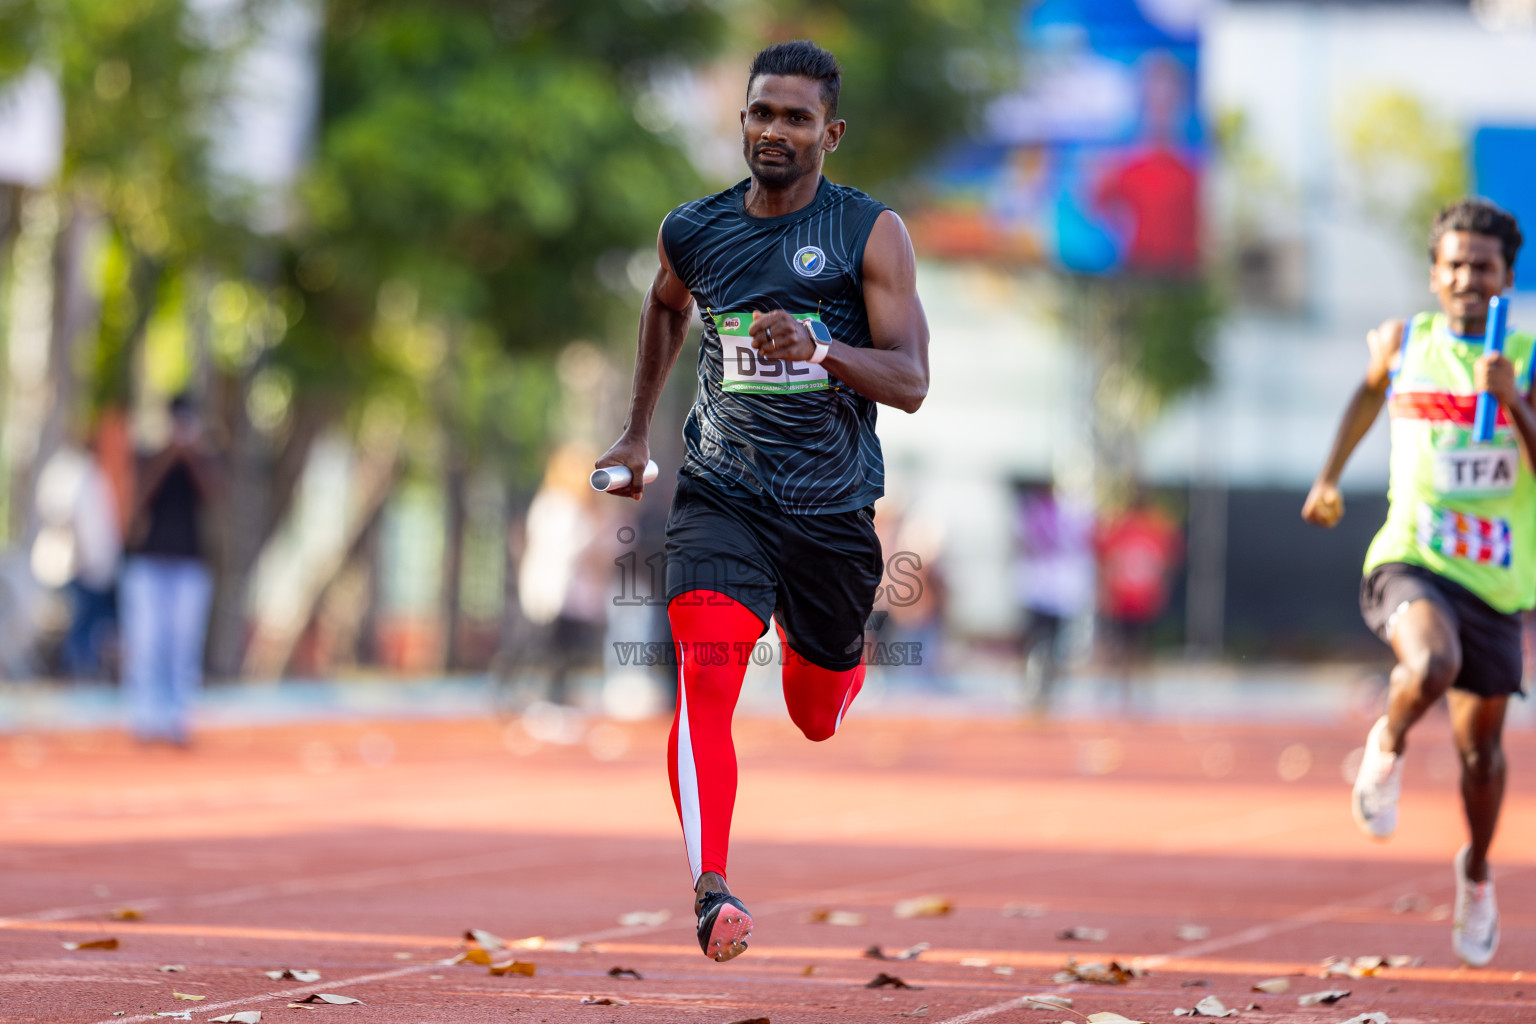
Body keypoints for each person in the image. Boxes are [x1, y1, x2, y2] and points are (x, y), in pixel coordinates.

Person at [596, 40, 929, 963]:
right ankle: (712, 892)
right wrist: (635, 430)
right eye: (759, 113)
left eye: (793, 116)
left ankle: (831, 656)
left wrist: (820, 349)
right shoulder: (694, 229)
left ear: (832, 131)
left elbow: (909, 380)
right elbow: (667, 306)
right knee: (704, 670)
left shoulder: (872, 232)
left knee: (814, 712)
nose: (773, 130)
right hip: (722, 493)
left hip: (830, 513)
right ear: (741, 120)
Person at [1303, 198, 1531, 967]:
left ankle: (1474, 872)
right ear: (1435, 274)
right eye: (1456, 265)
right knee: (1431, 664)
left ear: (1507, 277)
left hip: (1497, 579)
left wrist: (1517, 404)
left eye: (1485, 268)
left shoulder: (1528, 358)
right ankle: (1388, 741)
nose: (1469, 278)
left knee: (1481, 757)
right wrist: (1328, 476)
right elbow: (1369, 392)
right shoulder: (1405, 343)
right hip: (1411, 553)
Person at [121, 394, 221, 746]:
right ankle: (146, 717)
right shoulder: (149, 455)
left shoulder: (205, 459)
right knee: (147, 642)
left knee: (183, 644)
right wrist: (169, 453)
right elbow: (137, 496)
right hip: (148, 562)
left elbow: (213, 496)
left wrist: (190, 455)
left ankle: (179, 718)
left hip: (190, 564)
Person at [1094, 487, 1182, 702]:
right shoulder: (1157, 529)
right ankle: (1138, 688)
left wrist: (1105, 589)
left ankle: (1123, 688)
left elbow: (1105, 560)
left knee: (1122, 645)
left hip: (1125, 595)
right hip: (1141, 596)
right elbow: (1168, 562)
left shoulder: (1122, 528)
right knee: (1140, 645)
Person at [1015, 483, 1094, 714]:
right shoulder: (1045, 515)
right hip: (1045, 590)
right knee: (1039, 642)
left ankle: (1044, 686)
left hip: (1053, 591)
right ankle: (1038, 685)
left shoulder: (1058, 515)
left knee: (1046, 643)